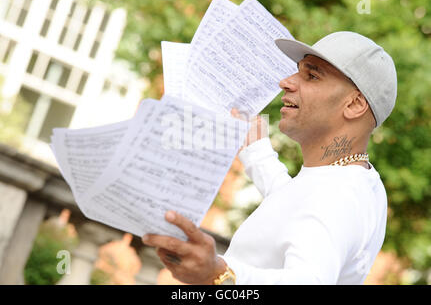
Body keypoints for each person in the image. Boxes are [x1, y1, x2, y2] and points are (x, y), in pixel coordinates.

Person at [142, 31, 397, 284]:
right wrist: (256, 149)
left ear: (354, 105)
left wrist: (219, 274)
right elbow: (298, 208)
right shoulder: (356, 180)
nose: (286, 81)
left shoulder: (339, 193)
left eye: (312, 75)